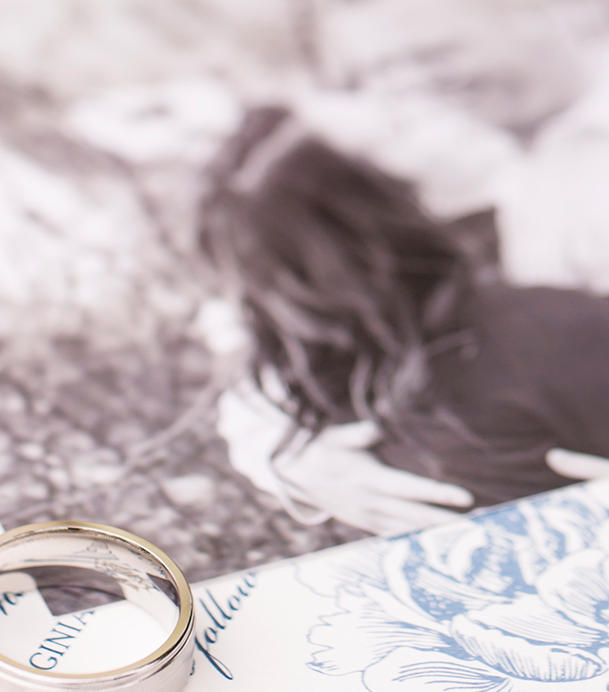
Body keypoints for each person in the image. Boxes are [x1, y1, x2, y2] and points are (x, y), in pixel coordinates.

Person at [200, 108, 609, 536]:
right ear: (385, 193)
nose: (431, 117)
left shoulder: (367, 351)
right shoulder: (521, 326)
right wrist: (287, 460)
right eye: (401, 126)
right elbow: (253, 402)